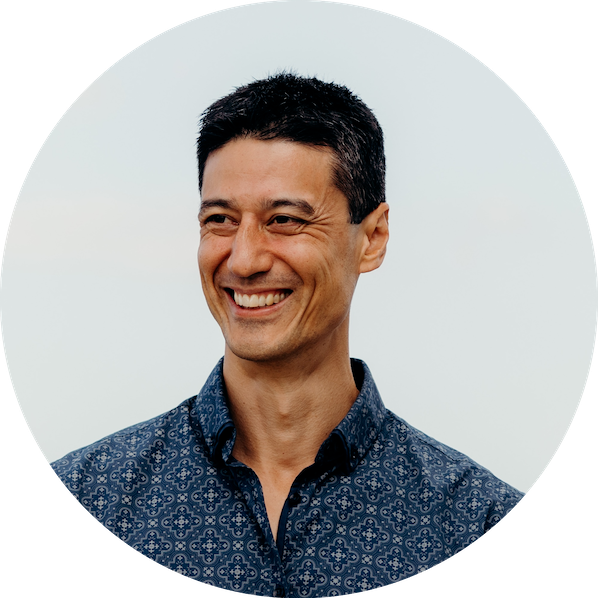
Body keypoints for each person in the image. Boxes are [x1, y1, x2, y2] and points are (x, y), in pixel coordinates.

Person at [50, 73, 524, 597]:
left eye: (284, 220)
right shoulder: (87, 498)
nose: (244, 260)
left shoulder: (478, 523)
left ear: (372, 238)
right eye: (221, 219)